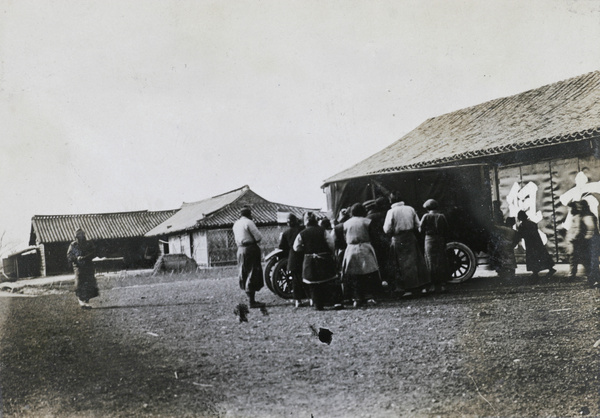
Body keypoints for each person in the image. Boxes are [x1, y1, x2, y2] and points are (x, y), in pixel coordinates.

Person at [383, 192, 430, 294]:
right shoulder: (410, 209)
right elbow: (418, 224)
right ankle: (422, 287)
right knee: (416, 261)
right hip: (410, 237)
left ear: (391, 201)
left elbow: (387, 229)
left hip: (398, 238)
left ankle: (407, 289)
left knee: (401, 264)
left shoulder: (391, 212)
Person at [293, 212, 340, 310]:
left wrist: (305, 249)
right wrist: (330, 253)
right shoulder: (323, 231)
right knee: (329, 281)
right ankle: (335, 302)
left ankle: (318, 304)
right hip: (324, 259)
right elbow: (331, 244)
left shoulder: (302, 234)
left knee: (313, 284)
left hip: (310, 261)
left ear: (306, 222)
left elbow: (296, 247)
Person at [342, 203, 380, 307]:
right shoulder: (367, 222)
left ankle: (357, 298)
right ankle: (369, 297)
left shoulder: (346, 223)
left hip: (351, 249)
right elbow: (374, 236)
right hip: (365, 247)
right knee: (369, 274)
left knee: (354, 275)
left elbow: (345, 237)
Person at [232, 207, 265, 308]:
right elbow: (258, 237)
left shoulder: (236, 224)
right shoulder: (249, 222)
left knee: (244, 272)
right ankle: (252, 301)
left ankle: (250, 299)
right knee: (253, 272)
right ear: (249, 214)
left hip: (240, 249)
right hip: (250, 248)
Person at [419, 199, 450, 292]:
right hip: (440, 239)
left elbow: (420, 229)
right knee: (441, 260)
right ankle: (442, 285)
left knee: (430, 261)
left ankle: (432, 285)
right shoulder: (441, 216)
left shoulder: (425, 216)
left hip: (429, 239)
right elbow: (446, 228)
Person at [516, 210, 556, 280]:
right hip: (537, 242)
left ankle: (535, 273)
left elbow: (521, 235)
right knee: (542, 256)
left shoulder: (522, 225)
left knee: (532, 258)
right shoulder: (532, 223)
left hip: (530, 244)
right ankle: (550, 268)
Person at [67, 228, 99, 309]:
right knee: (79, 283)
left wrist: (85, 257)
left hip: (88, 266)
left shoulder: (89, 244)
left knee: (89, 284)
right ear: (76, 236)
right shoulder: (73, 245)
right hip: (78, 267)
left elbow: (94, 252)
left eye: (81, 235)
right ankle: (81, 301)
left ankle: (87, 302)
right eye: (78, 235)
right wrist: (76, 258)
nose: (80, 237)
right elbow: (69, 256)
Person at [278, 213, 306, 307]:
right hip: (304, 256)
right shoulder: (302, 229)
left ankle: (298, 301)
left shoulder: (286, 233)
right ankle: (310, 298)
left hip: (293, 257)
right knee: (306, 277)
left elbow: (282, 247)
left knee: (295, 280)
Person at [367, 197, 391, 290]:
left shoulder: (368, 218)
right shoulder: (385, 214)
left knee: (379, 263)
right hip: (386, 241)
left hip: (375, 244)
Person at [578, 200, 599, 283]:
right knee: (592, 260)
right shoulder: (590, 215)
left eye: (580, 207)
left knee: (591, 260)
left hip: (591, 241)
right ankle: (593, 278)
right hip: (593, 240)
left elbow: (591, 228)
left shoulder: (587, 216)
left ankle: (594, 279)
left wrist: (586, 238)